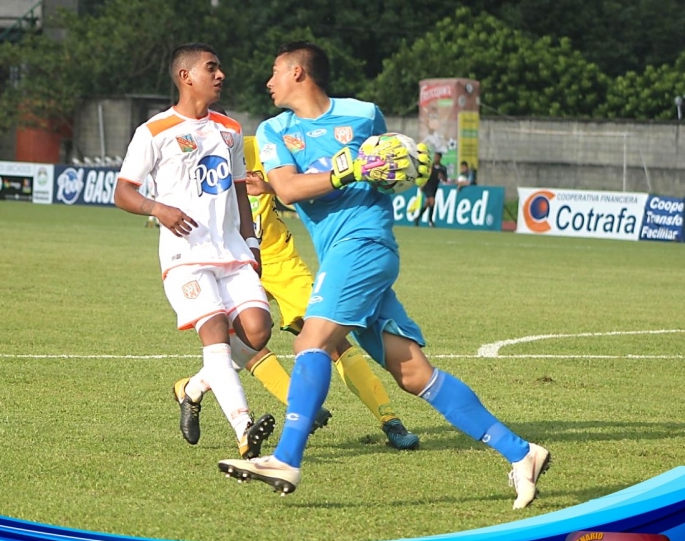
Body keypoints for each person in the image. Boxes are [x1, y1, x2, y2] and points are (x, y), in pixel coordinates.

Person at [218, 41, 550, 509]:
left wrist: (408, 165)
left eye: (275, 71)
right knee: (413, 374)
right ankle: (521, 453)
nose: (268, 81)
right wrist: (346, 170)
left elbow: (392, 164)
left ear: (297, 72)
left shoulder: (364, 114)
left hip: (365, 244)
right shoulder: (275, 130)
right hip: (341, 253)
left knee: (311, 342)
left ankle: (287, 459)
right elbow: (288, 189)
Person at [174, 134, 420, 451]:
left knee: (331, 338)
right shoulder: (188, 160)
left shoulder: (260, 149)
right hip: (227, 264)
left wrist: (269, 187)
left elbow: (300, 190)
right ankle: (297, 404)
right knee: (248, 345)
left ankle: (390, 420)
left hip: (279, 261)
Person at [114, 43, 276, 460]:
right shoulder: (154, 131)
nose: (221, 75)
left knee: (258, 331)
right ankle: (244, 429)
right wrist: (158, 209)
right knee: (216, 333)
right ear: (186, 77)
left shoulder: (231, 130)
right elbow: (123, 192)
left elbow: (239, 191)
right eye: (211, 68)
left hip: (232, 252)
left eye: (219, 68)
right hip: (185, 256)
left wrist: (251, 242)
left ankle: (192, 388)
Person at [415, 151, 447, 227]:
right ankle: (430, 221)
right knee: (432, 201)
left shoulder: (443, 168)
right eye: (435, 157)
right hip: (427, 186)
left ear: (440, 158)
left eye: (437, 157)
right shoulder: (430, 167)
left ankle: (417, 218)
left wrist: (442, 177)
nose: (435, 158)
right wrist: (422, 184)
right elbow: (425, 176)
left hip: (434, 187)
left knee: (427, 203)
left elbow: (445, 179)